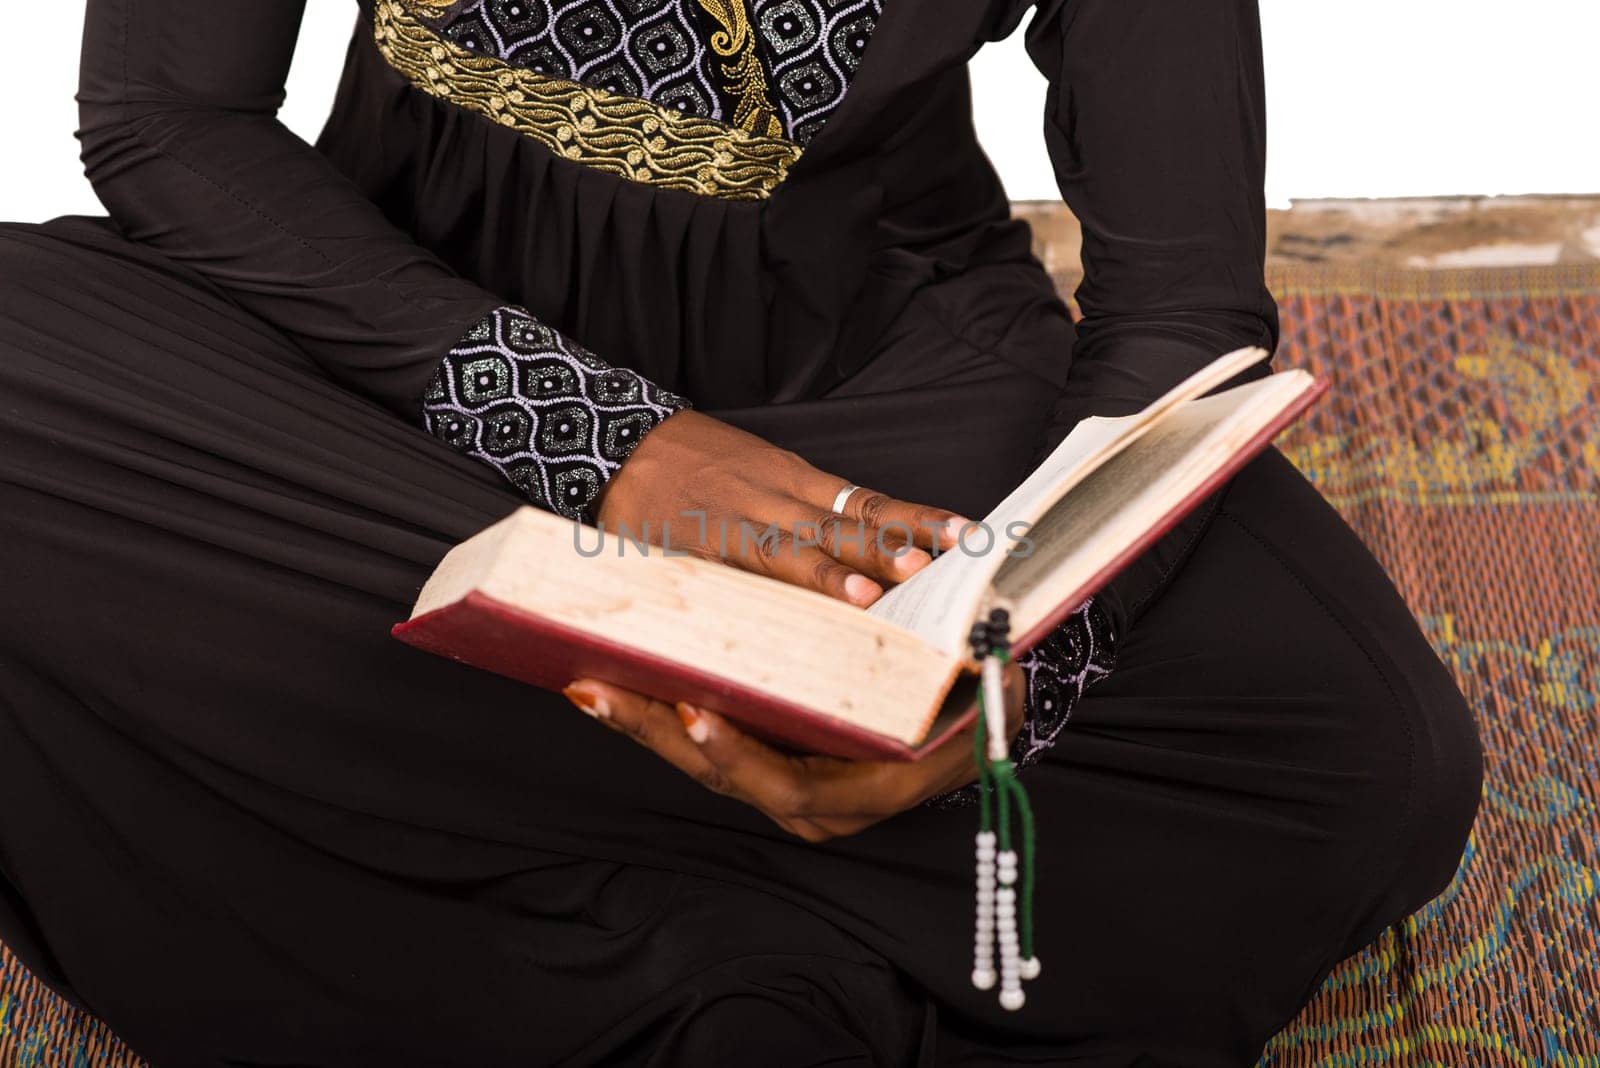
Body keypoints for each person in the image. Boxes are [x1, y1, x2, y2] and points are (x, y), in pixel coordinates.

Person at [0, 0, 1482, 1063]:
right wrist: (601, 441)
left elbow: (1181, 308)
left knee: (1365, 762)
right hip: (395, 385)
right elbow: (167, 116)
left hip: (875, 421)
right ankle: (744, 927)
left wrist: (1012, 652)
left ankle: (583, 897)